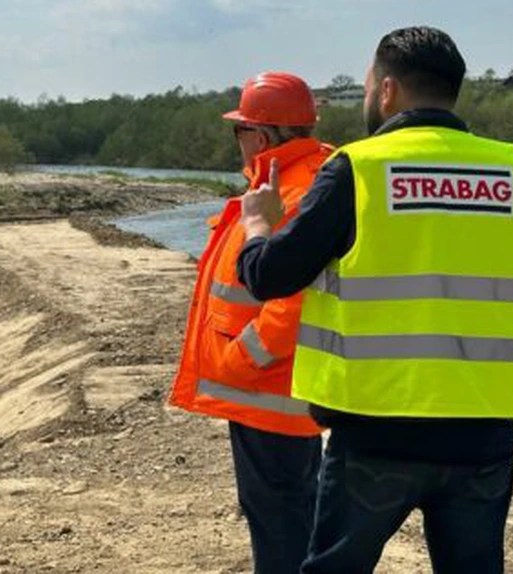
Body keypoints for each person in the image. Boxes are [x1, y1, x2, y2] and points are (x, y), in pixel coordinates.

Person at [237, 27, 513, 573]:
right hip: (481, 436)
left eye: (368, 87)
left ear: (387, 91)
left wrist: (257, 225)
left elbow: (269, 277)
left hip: (373, 434)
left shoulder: (358, 167)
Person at [170, 72, 331, 574]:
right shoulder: (300, 182)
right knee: (290, 517)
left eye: (239, 130)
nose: (237, 142)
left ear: (259, 137)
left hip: (270, 392)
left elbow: (294, 299)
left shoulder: (295, 190)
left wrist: (245, 357)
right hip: (279, 392)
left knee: (281, 524)